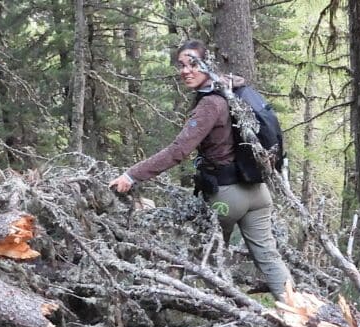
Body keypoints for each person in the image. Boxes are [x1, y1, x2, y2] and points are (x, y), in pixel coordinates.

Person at [108, 40, 293, 301]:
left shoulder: (210, 104)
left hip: (227, 198)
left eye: (193, 63)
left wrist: (131, 175)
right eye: (181, 65)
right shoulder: (234, 90)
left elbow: (178, 151)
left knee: (207, 262)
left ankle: (217, 321)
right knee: (270, 259)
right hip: (257, 193)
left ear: (208, 65)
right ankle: (304, 315)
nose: (186, 70)